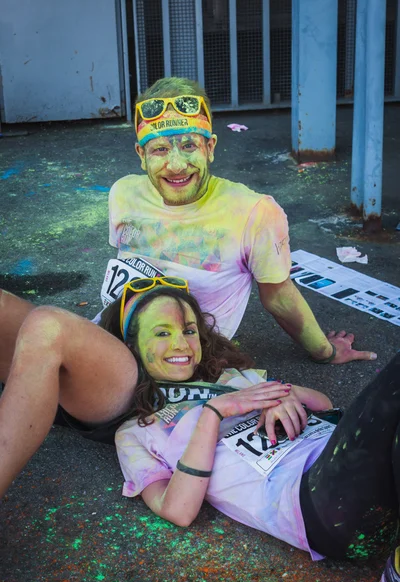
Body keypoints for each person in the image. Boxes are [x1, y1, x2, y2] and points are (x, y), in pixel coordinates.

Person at [0, 280, 399, 582]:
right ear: (131, 348)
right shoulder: (138, 430)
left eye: (189, 330)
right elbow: (178, 510)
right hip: (318, 503)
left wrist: (285, 392)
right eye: (162, 332)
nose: (181, 343)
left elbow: (324, 403)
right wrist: (214, 414)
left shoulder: (232, 380)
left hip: (353, 462)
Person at [107, 76, 376, 365]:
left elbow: (279, 297)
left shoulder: (255, 213)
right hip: (117, 340)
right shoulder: (124, 192)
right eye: (159, 149)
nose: (175, 165)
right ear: (141, 155)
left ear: (209, 148)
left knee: (52, 329)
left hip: (183, 362)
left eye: (188, 146)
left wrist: (326, 351)